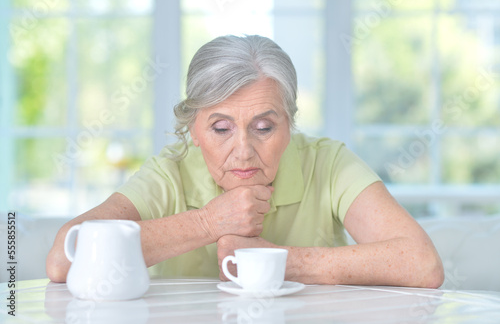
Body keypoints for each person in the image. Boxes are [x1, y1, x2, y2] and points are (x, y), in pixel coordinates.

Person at [47, 35, 444, 287]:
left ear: (290, 126)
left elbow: (422, 265)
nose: (243, 150)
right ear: (194, 130)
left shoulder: (327, 162)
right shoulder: (170, 171)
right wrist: (208, 222)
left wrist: (277, 262)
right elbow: (62, 261)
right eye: (221, 128)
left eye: (263, 127)